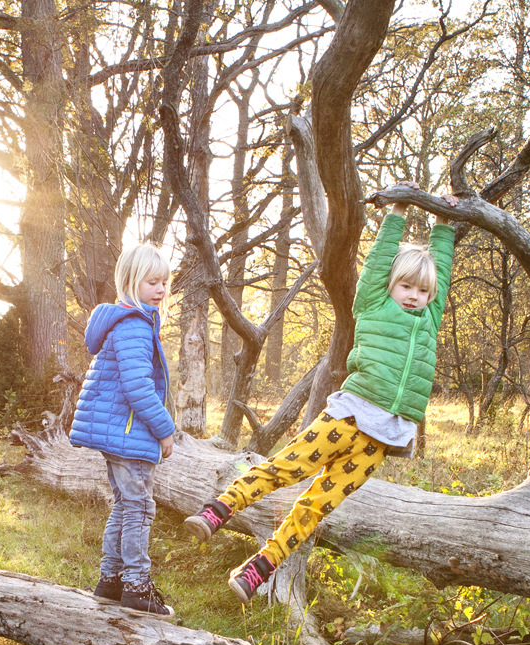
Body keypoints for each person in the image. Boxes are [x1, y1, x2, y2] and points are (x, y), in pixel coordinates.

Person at [185, 184, 458, 603]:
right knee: (285, 469)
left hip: (382, 441)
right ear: (390, 285)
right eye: (407, 287)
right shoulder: (372, 304)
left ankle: (258, 569)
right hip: (348, 418)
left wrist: (443, 225)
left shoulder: (430, 319)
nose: (415, 297)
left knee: (316, 508)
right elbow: (379, 260)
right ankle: (220, 508)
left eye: (423, 292)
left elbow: (442, 269)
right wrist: (398, 211)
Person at [69, 244, 176, 618]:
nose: (161, 289)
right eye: (152, 282)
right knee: (140, 509)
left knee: (125, 506)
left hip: (117, 432)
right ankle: (136, 587)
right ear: (132, 282)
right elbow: (138, 389)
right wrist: (164, 430)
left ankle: (110, 581)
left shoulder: (126, 321)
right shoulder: (134, 325)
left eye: (164, 281)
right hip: (129, 434)